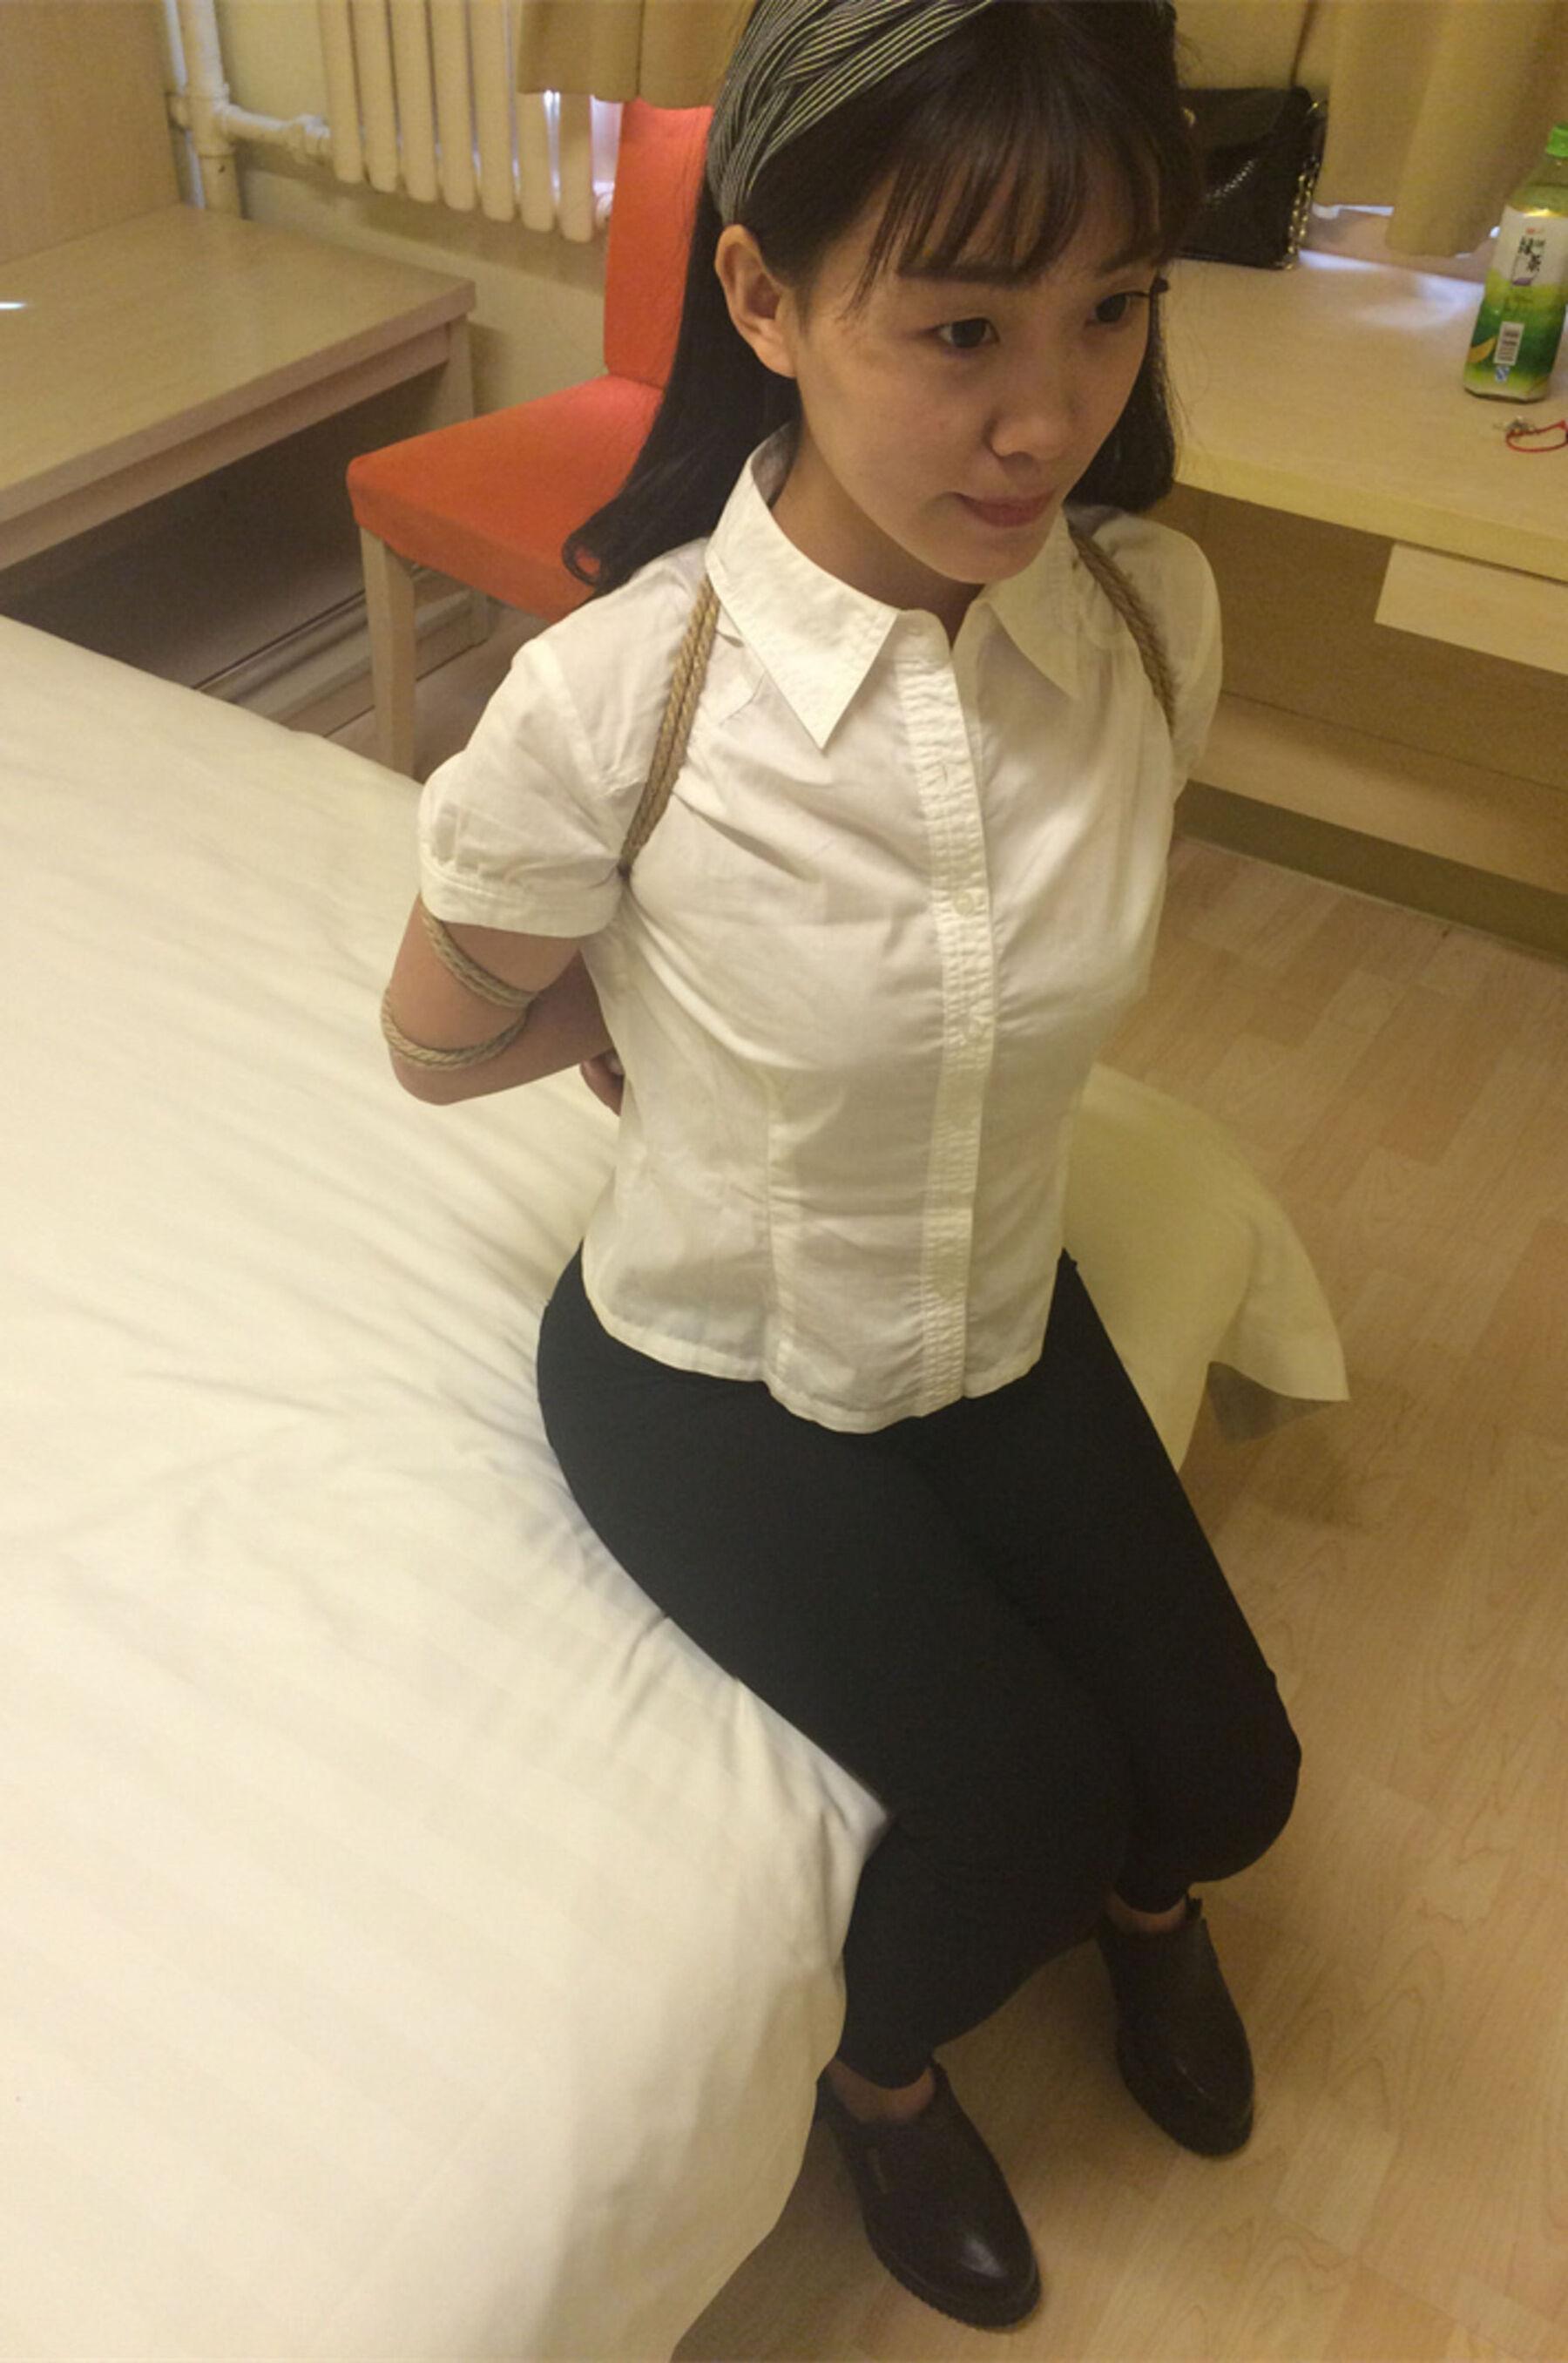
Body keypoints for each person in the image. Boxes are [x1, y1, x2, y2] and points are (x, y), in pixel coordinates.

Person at [381, 0, 1302, 2333]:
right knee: (1013, 1815)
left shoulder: (1145, 623)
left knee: (1225, 1783)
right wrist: (636, 1016)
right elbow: (432, 1040)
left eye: (1113, 310)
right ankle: (879, 2087)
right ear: (766, 296)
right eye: (963, 328)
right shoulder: (623, 700)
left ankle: (1153, 1898)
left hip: (997, 1308)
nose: (1047, 416)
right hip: (712, 1364)